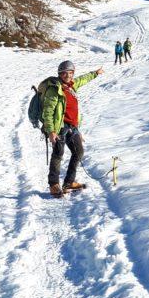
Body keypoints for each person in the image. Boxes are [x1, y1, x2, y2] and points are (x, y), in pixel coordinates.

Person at [40, 60, 104, 197]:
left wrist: (95, 73)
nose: (68, 75)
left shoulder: (71, 85)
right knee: (58, 153)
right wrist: (51, 131)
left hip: (73, 126)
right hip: (60, 127)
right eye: (64, 73)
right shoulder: (54, 89)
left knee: (78, 152)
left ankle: (69, 182)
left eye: (70, 73)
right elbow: (47, 111)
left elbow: (82, 79)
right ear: (59, 74)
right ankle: (54, 185)